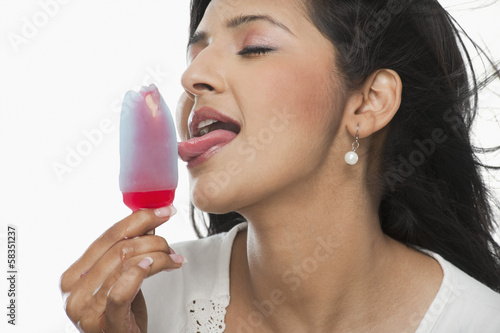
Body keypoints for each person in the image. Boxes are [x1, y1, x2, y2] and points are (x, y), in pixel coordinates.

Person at [60, 0, 500, 332]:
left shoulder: (481, 321)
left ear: (368, 103)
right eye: (197, 52)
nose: (191, 77)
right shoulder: (140, 305)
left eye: (254, 48)